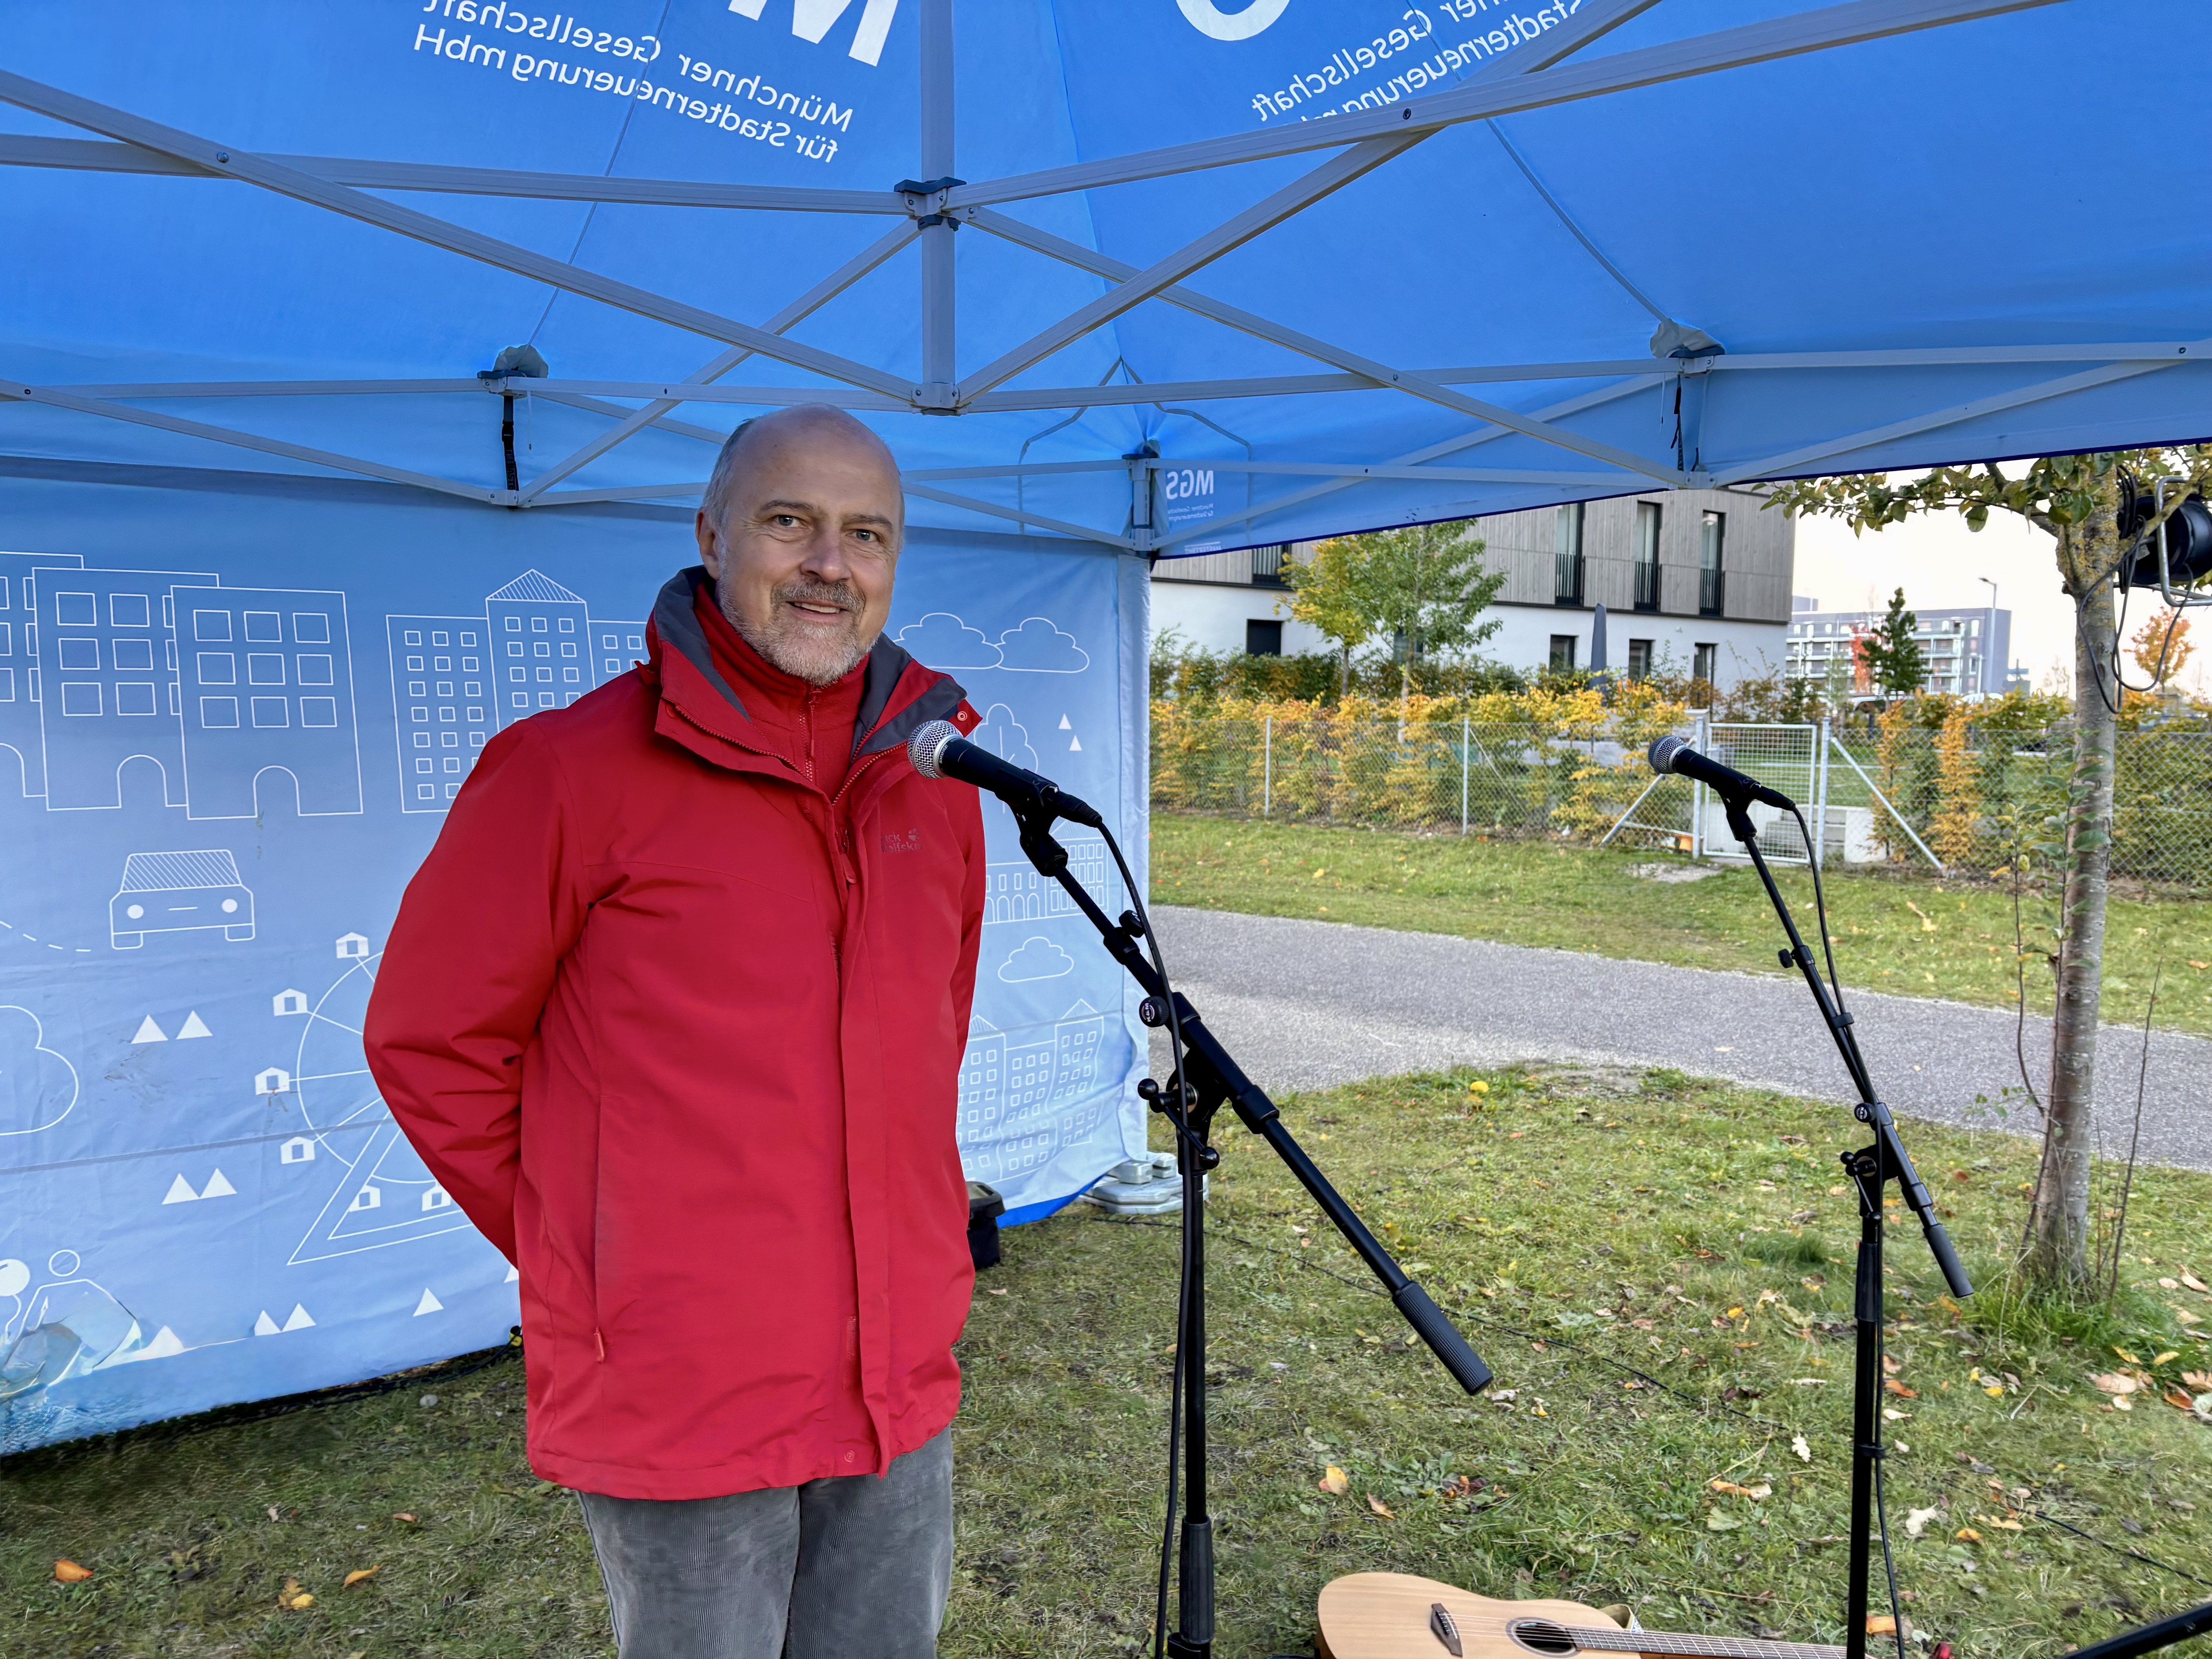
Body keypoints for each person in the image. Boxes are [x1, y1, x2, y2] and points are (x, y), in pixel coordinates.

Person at [365, 404, 987, 1659]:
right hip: (684, 1378)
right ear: (711, 535)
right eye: (790, 522)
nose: (831, 563)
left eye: (867, 533)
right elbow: (431, 1042)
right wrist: (597, 1250)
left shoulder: (941, 793)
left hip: (898, 1370)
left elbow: (930, 1041)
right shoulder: (564, 772)